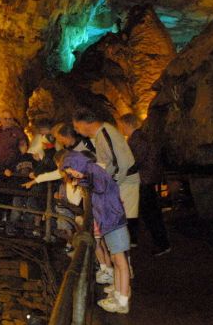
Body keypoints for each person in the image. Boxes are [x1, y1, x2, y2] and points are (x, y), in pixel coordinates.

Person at [58, 150, 131, 314]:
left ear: (77, 163)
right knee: (116, 259)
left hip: (113, 220)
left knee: (120, 261)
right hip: (110, 220)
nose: (74, 175)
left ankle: (123, 300)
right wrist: (82, 180)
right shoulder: (90, 172)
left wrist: (83, 181)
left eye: (73, 171)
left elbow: (100, 186)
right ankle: (119, 292)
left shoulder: (93, 171)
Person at [72, 109, 140, 246]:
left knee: (120, 223)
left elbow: (121, 163)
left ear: (86, 123)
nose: (77, 131)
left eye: (77, 127)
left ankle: (123, 260)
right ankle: (121, 257)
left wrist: (109, 185)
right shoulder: (101, 134)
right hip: (121, 181)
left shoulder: (106, 133)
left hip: (124, 182)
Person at [118, 113, 171, 255]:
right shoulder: (139, 138)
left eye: (122, 125)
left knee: (150, 214)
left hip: (143, 181)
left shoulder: (138, 139)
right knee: (141, 212)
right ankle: (134, 239)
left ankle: (162, 245)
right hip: (144, 180)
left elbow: (134, 162)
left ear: (128, 124)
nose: (121, 128)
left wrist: (119, 172)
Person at [0, 110, 28, 221]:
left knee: (9, 197)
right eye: (5, 119)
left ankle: (8, 223)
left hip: (12, 169)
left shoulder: (18, 133)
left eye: (10, 119)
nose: (8, 121)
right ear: (1, 120)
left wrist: (16, 167)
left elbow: (24, 151)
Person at [2, 140, 37, 236]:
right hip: (18, 188)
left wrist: (38, 161)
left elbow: (39, 167)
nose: (23, 147)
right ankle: (10, 229)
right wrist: (6, 170)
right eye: (21, 145)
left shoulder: (31, 157)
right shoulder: (14, 158)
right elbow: (5, 166)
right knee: (16, 210)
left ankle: (28, 230)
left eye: (25, 145)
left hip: (31, 187)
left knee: (30, 209)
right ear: (17, 146)